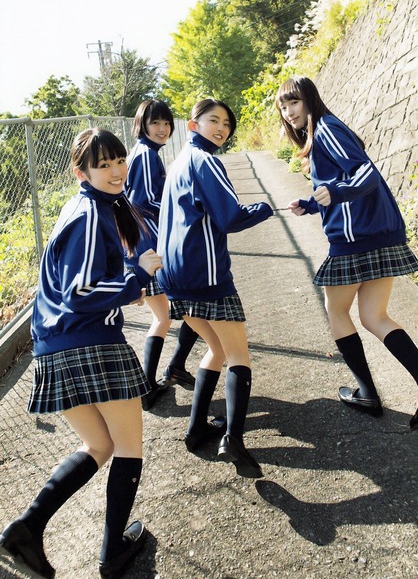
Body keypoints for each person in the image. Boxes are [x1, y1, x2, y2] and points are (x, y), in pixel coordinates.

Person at [0, 128, 162, 579]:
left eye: (119, 161)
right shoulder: (90, 214)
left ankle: (27, 529)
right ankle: (112, 552)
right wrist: (136, 278)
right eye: (103, 165)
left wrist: (128, 287)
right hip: (90, 344)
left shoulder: (91, 208)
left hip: (56, 346)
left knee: (99, 445)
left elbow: (79, 289)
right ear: (81, 172)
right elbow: (80, 292)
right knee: (128, 448)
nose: (115, 171)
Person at [276, 76, 418, 431]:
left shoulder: (325, 128)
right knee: (374, 316)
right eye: (283, 107)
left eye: (293, 102)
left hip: (356, 239)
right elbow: (340, 183)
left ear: (309, 99)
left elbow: (364, 173)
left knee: (336, 310)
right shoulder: (324, 130)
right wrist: (312, 203)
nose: (289, 111)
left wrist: (336, 193)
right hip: (379, 234)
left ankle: (368, 393)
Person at [156, 98, 273, 478]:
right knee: (239, 355)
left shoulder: (178, 163)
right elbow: (230, 218)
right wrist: (264, 208)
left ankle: (195, 430)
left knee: (217, 348)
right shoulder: (206, 161)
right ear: (193, 125)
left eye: (227, 124)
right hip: (205, 275)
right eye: (214, 121)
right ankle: (234, 439)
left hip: (173, 275)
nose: (222, 128)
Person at [125, 99, 198, 411]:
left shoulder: (144, 153)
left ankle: (152, 382)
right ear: (142, 124)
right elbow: (144, 201)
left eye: (167, 123)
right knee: (197, 305)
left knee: (165, 316)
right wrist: (185, 208)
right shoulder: (145, 155)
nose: (163, 129)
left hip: (143, 247)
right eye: (155, 123)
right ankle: (170, 370)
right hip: (153, 247)